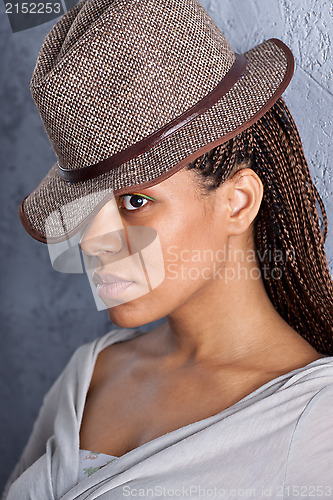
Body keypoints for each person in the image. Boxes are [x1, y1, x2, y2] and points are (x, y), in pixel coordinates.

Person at [3, 0, 333, 497]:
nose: (92, 239)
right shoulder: (90, 372)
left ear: (238, 202)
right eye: (85, 208)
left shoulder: (313, 426)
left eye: (134, 200)